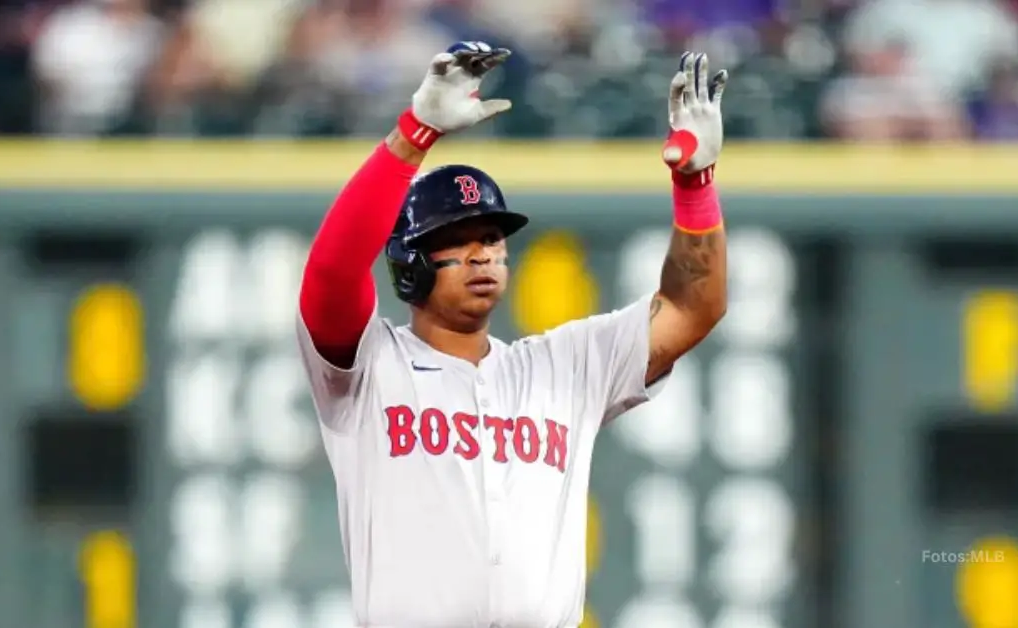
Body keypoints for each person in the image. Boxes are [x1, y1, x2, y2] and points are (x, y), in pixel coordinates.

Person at [296, 40, 729, 627]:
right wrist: (414, 133)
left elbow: (693, 306)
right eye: (457, 239)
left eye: (492, 238)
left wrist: (696, 185)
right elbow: (331, 274)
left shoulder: (563, 367)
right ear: (409, 262)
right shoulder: (368, 368)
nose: (482, 254)